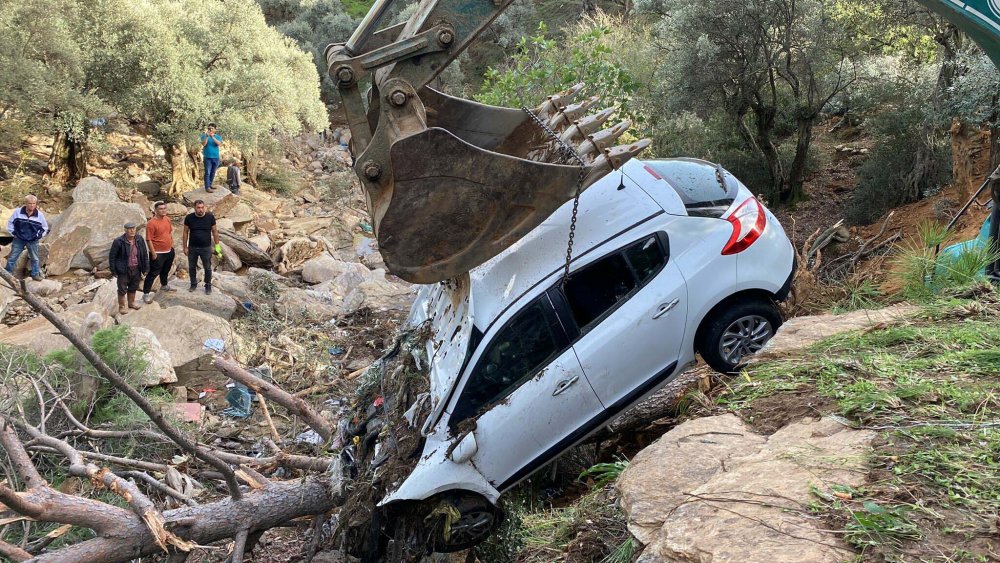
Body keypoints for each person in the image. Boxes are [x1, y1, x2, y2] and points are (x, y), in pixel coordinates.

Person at [109, 221, 150, 314]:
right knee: (122, 289)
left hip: (136, 268)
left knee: (133, 286)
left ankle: (131, 303)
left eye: (133, 228)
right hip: (123, 269)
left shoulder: (139, 239)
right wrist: (113, 270)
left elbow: (144, 254)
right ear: (125, 230)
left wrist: (146, 268)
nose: (132, 231)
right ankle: (122, 306)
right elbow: (112, 257)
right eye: (129, 229)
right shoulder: (118, 241)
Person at [5, 195, 48, 281]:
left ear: (36, 204)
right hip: (19, 239)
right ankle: (7, 273)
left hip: (32, 240)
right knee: (13, 257)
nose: (32, 205)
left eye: (33, 203)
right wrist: (14, 233)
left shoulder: (40, 215)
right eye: (30, 203)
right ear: (26, 203)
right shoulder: (17, 212)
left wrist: (37, 236)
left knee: (35, 258)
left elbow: (44, 228)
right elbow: (10, 224)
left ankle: (35, 275)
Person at [142, 201, 178, 303]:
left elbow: (169, 233)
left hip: (169, 250)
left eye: (164, 208)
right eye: (160, 209)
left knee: (165, 270)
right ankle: (146, 293)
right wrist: (153, 253)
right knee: (153, 273)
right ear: (155, 211)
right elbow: (149, 239)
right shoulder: (151, 223)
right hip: (158, 252)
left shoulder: (167, 219)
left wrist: (172, 245)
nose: (163, 210)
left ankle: (164, 285)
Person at [183, 200, 221, 294]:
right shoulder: (189, 218)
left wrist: (217, 246)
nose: (200, 209)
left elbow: (215, 231)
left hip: (206, 248)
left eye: (202, 207)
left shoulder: (210, 217)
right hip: (192, 247)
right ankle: (193, 284)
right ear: (194, 208)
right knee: (192, 267)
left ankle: (208, 285)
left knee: (207, 268)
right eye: (198, 208)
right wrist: (185, 247)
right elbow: (185, 232)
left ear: (205, 207)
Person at [200, 123, 224, 192]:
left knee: (213, 172)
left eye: (212, 128)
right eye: (209, 128)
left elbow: (218, 144)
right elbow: (204, 144)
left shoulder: (218, 137)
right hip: (207, 157)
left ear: (215, 129)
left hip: (216, 157)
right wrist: (207, 136)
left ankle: (210, 184)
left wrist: (212, 137)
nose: (210, 129)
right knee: (207, 172)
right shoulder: (204, 136)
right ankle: (207, 187)